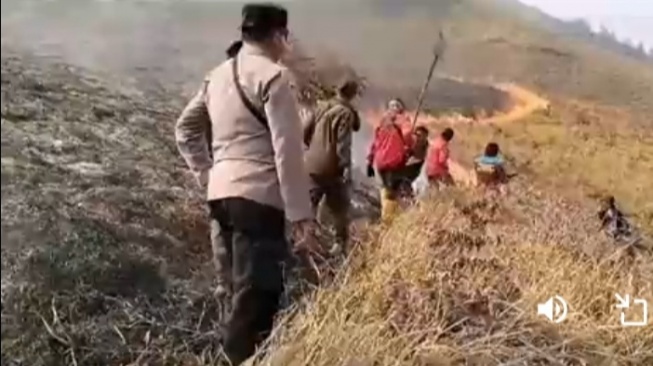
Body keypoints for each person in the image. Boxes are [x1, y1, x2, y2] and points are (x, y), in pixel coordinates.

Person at [174, 4, 317, 365]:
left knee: (235, 292)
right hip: (259, 199)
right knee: (256, 300)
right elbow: (287, 150)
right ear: (279, 35)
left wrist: (208, 173)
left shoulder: (217, 75)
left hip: (220, 198)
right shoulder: (274, 77)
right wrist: (301, 214)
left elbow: (185, 130)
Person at [303, 78, 361, 255]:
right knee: (339, 208)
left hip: (311, 165)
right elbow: (343, 144)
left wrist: (313, 149)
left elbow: (304, 131)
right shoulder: (345, 112)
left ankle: (307, 243)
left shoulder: (320, 106)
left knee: (309, 205)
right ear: (352, 94)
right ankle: (339, 246)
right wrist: (346, 167)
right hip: (331, 167)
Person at [367, 101, 412, 223]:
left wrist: (370, 161)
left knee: (384, 190)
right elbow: (408, 139)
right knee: (391, 194)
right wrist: (408, 148)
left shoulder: (382, 122)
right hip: (394, 163)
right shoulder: (404, 121)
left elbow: (375, 144)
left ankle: (386, 216)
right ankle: (387, 223)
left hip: (379, 162)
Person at [398, 125, 430, 197]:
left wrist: (409, 151)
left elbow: (419, 154)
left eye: (420, 135)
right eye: (416, 135)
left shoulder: (424, 146)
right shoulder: (413, 142)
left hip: (416, 169)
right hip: (408, 167)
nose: (417, 137)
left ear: (425, 136)